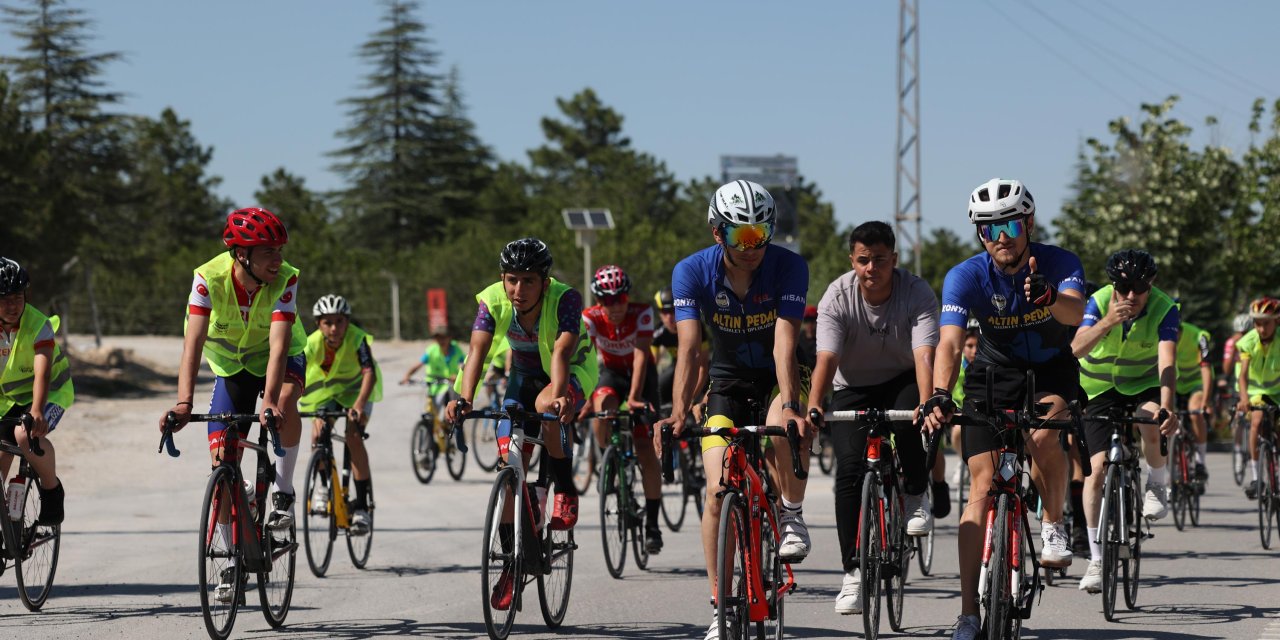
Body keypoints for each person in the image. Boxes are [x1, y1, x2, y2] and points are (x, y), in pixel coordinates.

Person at [921, 178, 1086, 640]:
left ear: (1028, 222)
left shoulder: (1059, 262)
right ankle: (969, 612)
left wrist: (1051, 298)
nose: (1001, 238)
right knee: (980, 486)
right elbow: (951, 342)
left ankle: (1053, 522)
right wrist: (938, 392)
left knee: (1042, 436)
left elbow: (1076, 314)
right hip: (993, 376)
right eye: (989, 229)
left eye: (1010, 225)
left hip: (1051, 372)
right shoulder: (965, 276)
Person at [654, 180, 812, 640]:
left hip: (778, 375)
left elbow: (785, 343)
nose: (753, 245)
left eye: (762, 233)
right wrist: (679, 411)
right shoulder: (691, 271)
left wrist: (795, 406)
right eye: (742, 235)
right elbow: (688, 349)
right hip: (725, 382)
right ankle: (721, 606)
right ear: (716, 232)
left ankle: (791, 513)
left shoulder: (788, 266)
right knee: (718, 489)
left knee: (784, 423)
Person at [158, 208, 308, 604]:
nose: (277, 259)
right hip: (234, 368)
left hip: (283, 359)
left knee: (285, 408)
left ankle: (283, 492)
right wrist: (184, 403)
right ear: (241, 254)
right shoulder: (207, 280)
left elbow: (278, 346)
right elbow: (191, 345)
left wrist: (272, 402)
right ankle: (229, 558)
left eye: (278, 250)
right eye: (267, 252)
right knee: (222, 460)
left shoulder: (287, 278)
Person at [443, 238, 597, 612]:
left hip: (572, 369)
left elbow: (561, 352)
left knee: (546, 408)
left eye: (529, 281)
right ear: (502, 278)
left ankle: (564, 489)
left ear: (545, 282)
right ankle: (512, 563)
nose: (518, 289)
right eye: (512, 279)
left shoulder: (566, 298)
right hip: (524, 374)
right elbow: (477, 350)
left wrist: (559, 396)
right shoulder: (493, 300)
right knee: (510, 459)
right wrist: (464, 398)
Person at [805, 221, 939, 615]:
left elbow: (924, 356)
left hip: (903, 379)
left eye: (880, 260)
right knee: (847, 471)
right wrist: (815, 404)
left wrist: (928, 402)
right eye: (863, 260)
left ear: (893, 260)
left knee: (905, 421)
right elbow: (826, 358)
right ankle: (851, 573)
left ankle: (915, 493)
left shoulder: (916, 292)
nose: (871, 268)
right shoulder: (837, 296)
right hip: (853, 386)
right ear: (852, 260)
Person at [1069, 249, 1179, 594]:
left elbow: (1167, 361)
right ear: (1113, 285)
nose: (1131, 295)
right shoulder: (1099, 301)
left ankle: (1157, 483)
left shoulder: (1165, 307)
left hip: (1143, 384)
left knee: (1150, 420)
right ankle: (1097, 558)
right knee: (1096, 470)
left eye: (1140, 288)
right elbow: (1076, 349)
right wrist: (1107, 321)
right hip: (1098, 388)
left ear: (1152, 284)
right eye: (1123, 287)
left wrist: (1166, 407)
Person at [581, 264, 665, 553]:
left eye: (619, 299)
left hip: (642, 376)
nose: (614, 306)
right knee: (602, 404)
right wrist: (586, 397)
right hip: (612, 373)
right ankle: (608, 458)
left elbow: (642, 355)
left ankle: (653, 524)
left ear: (627, 297)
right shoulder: (590, 317)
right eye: (607, 300)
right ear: (598, 301)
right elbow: (587, 360)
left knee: (644, 447)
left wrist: (635, 397)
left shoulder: (641, 312)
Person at [299, 294, 382, 533]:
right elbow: (294, 373)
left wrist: (358, 406)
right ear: (318, 324)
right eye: (328, 322)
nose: (334, 328)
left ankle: (362, 507)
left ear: (347, 322)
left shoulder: (357, 339)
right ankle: (325, 487)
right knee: (317, 436)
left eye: (339, 321)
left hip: (358, 392)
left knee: (353, 437)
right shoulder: (312, 343)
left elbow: (369, 374)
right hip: (329, 393)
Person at [0, 257, 71, 526]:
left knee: (24, 434)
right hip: (6, 400)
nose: (12, 304)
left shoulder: (38, 324)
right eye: (4, 298)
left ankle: (52, 490)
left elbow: (42, 372)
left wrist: (37, 411)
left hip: (50, 392)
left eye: (18, 296)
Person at [1238, 296, 1280, 500]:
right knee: (1256, 421)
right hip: (1255, 393)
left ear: (1277, 321)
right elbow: (1243, 374)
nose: (1261, 329)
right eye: (1257, 323)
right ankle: (1257, 478)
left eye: (1266, 323)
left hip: (1278, 392)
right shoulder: (1248, 341)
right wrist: (1244, 398)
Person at [651, 286, 709, 410]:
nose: (669, 318)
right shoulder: (658, 332)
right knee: (661, 382)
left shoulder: (696, 328)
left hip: (699, 370)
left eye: (673, 311)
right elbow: (651, 365)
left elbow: (703, 368)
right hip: (677, 367)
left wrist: (690, 398)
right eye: (664, 312)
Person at [1175, 318, 1214, 482]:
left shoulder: (1198, 336)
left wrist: (1205, 401)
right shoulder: (1156, 335)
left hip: (1195, 383)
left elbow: (1206, 369)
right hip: (1174, 384)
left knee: (1195, 412)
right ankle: (1172, 475)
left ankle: (1200, 461)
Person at [401, 324, 465, 411]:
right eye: (437, 338)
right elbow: (418, 365)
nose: (440, 340)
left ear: (449, 337)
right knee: (431, 413)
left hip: (452, 387)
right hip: (435, 386)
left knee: (454, 413)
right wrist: (407, 375)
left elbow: (466, 365)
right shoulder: (431, 350)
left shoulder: (456, 349)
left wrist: (459, 377)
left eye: (443, 337)